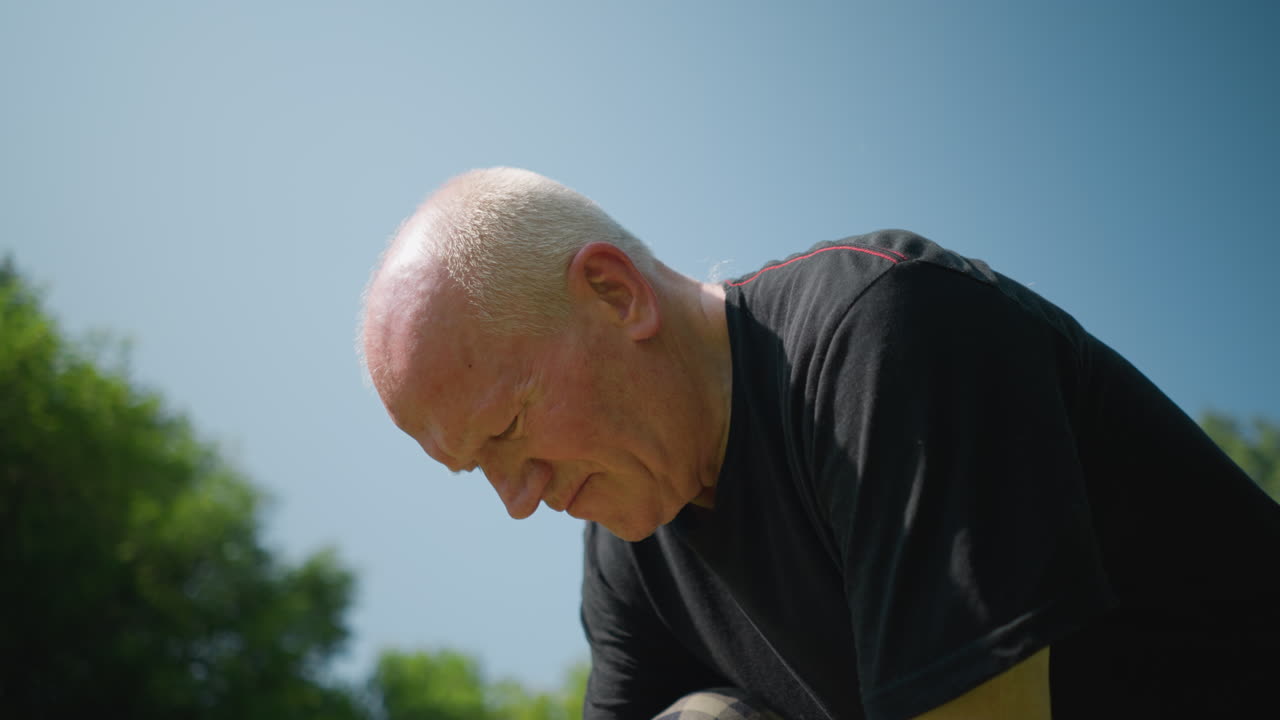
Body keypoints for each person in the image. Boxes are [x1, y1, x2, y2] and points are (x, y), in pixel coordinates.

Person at [359, 167, 1280, 720]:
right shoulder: (628, 552)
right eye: (477, 470)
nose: (518, 500)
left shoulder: (884, 336)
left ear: (615, 293)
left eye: (507, 430)